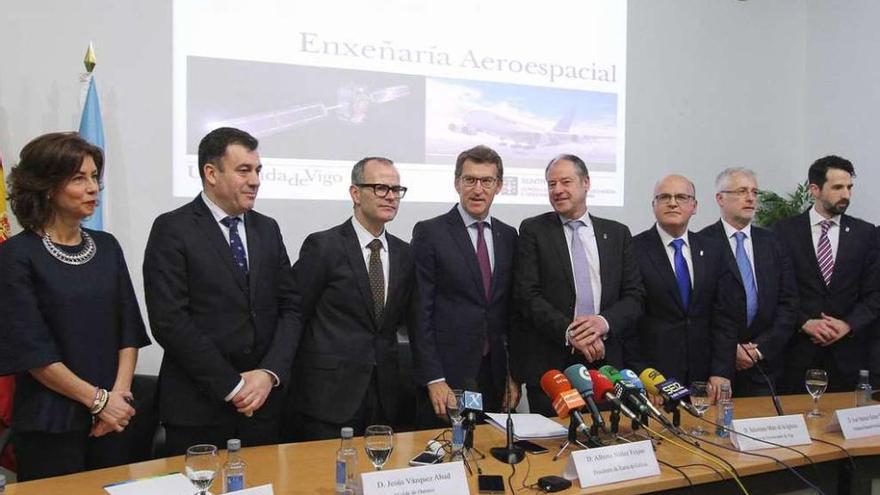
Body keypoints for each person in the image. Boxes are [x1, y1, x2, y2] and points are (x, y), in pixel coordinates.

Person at [0, 132, 150, 480]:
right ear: (48, 186)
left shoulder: (107, 246)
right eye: (79, 178)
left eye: (95, 176)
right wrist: (98, 402)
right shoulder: (16, 255)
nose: (94, 187)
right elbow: (33, 351)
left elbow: (128, 329)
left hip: (115, 419)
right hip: (49, 423)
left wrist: (119, 399)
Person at [143, 127, 299, 454]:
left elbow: (291, 308)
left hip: (263, 406)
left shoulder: (267, 228)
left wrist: (268, 374)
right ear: (211, 173)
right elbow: (170, 321)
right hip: (198, 408)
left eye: (258, 170)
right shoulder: (173, 229)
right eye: (244, 170)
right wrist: (234, 385)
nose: (255, 180)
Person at [288, 157, 416, 440]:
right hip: (328, 398)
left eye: (396, 190)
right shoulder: (323, 246)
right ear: (355, 193)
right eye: (381, 188)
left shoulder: (405, 254)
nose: (391, 197)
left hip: (385, 396)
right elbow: (294, 315)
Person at [513, 154, 644, 417]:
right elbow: (527, 295)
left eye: (565, 182)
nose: (557, 190)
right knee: (552, 448)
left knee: (607, 440)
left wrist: (602, 323)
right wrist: (570, 332)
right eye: (551, 184)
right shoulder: (533, 230)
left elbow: (635, 296)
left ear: (586, 183)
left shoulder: (617, 234)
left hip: (605, 364)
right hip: (552, 365)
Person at [410, 145, 520, 426]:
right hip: (448, 379)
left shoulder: (509, 236)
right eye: (470, 180)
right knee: (450, 459)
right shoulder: (430, 232)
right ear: (457, 183)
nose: (478, 189)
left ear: (499, 186)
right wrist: (434, 378)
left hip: (493, 377)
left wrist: (513, 374)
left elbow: (510, 314)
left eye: (487, 181)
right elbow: (419, 312)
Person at [774, 155, 880, 393]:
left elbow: (874, 294)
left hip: (849, 358)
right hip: (797, 355)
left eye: (849, 187)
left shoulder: (865, 233)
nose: (846, 194)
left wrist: (847, 325)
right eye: (837, 187)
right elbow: (776, 292)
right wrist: (804, 323)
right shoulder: (784, 232)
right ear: (815, 189)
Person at [627, 175, 737, 396]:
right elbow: (629, 320)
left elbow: (725, 315)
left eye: (681, 197)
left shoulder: (714, 250)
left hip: (705, 378)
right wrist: (641, 377)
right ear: (653, 205)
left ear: (694, 206)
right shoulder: (633, 249)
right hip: (653, 378)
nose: (673, 202)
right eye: (664, 197)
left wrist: (721, 370)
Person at [699, 168, 798, 397]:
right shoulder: (702, 243)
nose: (751, 197)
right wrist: (729, 351)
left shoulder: (773, 242)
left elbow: (789, 303)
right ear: (720, 198)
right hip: (717, 366)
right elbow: (701, 310)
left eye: (754, 192)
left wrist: (760, 349)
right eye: (742, 191)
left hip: (765, 365)